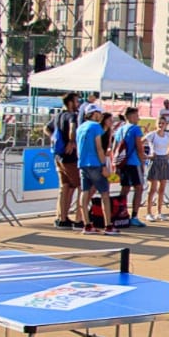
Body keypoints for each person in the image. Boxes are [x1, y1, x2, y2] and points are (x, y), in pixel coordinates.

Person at [76, 104, 117, 235]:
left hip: (83, 163)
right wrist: (104, 165)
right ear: (94, 113)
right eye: (99, 113)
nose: (100, 115)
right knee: (105, 194)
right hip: (95, 163)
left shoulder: (80, 127)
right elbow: (99, 147)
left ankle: (86, 224)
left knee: (85, 192)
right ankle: (108, 225)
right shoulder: (95, 127)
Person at [45, 92, 82, 228]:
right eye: (77, 101)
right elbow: (72, 128)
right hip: (70, 157)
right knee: (81, 186)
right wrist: (71, 141)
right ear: (71, 102)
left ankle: (61, 217)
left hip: (58, 155)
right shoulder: (72, 116)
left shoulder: (58, 116)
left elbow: (46, 128)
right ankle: (79, 218)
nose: (78, 104)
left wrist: (55, 139)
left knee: (65, 186)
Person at [112, 107, 148, 227]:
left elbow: (114, 147)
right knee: (139, 188)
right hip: (133, 162)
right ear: (131, 116)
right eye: (137, 116)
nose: (138, 118)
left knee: (125, 188)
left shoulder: (120, 129)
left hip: (123, 163)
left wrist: (115, 164)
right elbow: (139, 147)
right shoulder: (135, 129)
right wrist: (142, 160)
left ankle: (120, 212)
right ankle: (134, 216)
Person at [145, 118, 169, 221]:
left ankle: (159, 212)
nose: (161, 125)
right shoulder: (152, 134)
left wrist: (167, 155)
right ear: (157, 124)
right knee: (152, 189)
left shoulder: (167, 135)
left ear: (166, 124)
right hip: (155, 161)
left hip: (163, 161)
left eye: (163, 123)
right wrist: (148, 155)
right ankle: (148, 212)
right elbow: (141, 142)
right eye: (159, 123)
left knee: (162, 188)